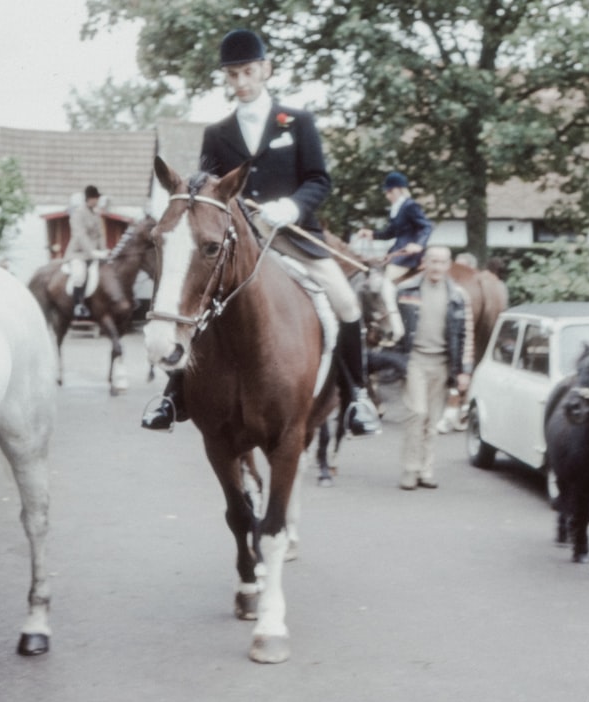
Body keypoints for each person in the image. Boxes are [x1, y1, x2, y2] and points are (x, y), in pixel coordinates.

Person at [141, 28, 381, 436]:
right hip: (237, 241)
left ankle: (356, 395)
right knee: (196, 299)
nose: (241, 83)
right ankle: (173, 392)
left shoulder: (298, 122)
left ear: (265, 70)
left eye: (248, 72)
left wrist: (290, 207)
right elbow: (206, 189)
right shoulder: (217, 133)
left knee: (345, 302)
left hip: (293, 234)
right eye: (232, 76)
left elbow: (319, 180)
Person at [396, 246, 473, 490]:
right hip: (416, 360)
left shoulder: (458, 295)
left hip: (442, 363)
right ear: (424, 263)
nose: (437, 266)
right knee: (417, 413)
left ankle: (426, 470)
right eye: (433, 261)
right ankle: (410, 469)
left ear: (448, 265)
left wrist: (465, 370)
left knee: (432, 420)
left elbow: (467, 334)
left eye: (442, 262)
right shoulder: (406, 290)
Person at [357, 172, 433, 282]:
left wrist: (419, 245)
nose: (387, 196)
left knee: (386, 282)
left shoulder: (410, 205)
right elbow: (390, 233)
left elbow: (427, 226)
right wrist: (372, 234)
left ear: (399, 189)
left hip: (408, 255)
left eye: (390, 191)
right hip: (397, 252)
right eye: (386, 192)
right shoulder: (397, 208)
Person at [65, 184, 106, 319]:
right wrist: (92, 252)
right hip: (79, 253)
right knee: (79, 275)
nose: (98, 201)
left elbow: (100, 235)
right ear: (90, 199)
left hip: (95, 253)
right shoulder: (78, 214)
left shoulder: (96, 214)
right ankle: (78, 305)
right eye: (96, 198)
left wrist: (104, 250)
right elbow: (80, 235)